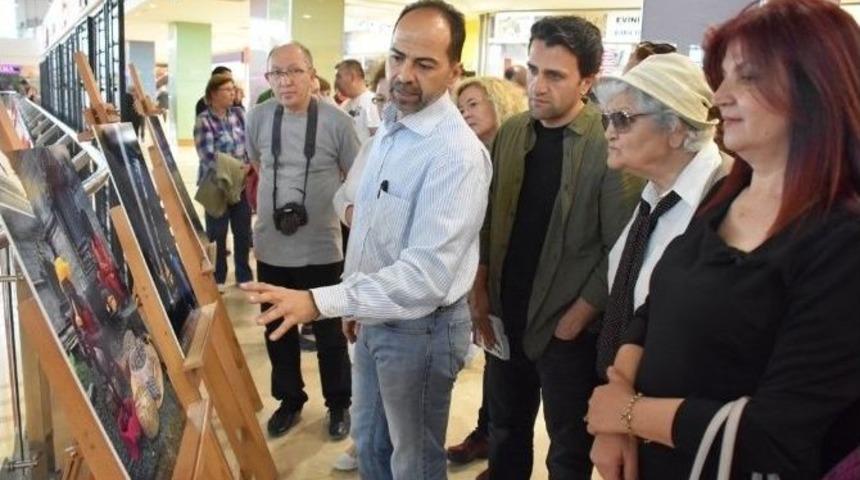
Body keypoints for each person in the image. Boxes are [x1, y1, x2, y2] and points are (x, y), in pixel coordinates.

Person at [585, 1, 860, 479]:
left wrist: (626, 414)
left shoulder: (842, 242)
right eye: (723, 76)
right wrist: (619, 403)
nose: (720, 96)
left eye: (747, 76)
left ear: (817, 87)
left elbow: (776, 432)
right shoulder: (725, 201)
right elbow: (655, 308)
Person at [241, 1, 491, 478]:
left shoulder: (456, 156)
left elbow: (426, 277)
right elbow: (345, 197)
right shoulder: (388, 133)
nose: (404, 74)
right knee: (372, 446)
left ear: (454, 71)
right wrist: (359, 298)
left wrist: (325, 300)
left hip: (421, 332)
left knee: (412, 461)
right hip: (376, 317)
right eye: (398, 57)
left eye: (424, 64)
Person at [477, 16, 642, 480]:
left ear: (587, 81)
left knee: (568, 449)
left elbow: (623, 246)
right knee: (505, 429)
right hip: (507, 315)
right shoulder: (512, 132)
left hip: (566, 330)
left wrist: (579, 315)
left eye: (554, 75)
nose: (537, 86)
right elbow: (490, 218)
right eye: (533, 70)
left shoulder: (608, 142)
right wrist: (480, 288)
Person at [244, 42, 360, 440]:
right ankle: (290, 401)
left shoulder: (337, 121)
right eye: (277, 73)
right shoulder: (257, 117)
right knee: (277, 331)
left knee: (329, 333)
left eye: (294, 71)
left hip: (322, 249)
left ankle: (339, 403)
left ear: (312, 75)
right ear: (268, 78)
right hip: (273, 247)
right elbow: (259, 166)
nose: (286, 81)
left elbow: (353, 177)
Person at [593, 52, 731, 379]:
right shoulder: (653, 195)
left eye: (623, 119)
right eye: (607, 119)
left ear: (677, 128)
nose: (609, 133)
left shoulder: (730, 200)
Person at [445, 75, 526, 472]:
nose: (466, 112)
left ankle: (494, 437)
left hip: (505, 276)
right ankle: (487, 431)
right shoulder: (467, 153)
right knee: (495, 360)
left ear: (500, 101)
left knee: (504, 365)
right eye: (462, 106)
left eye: (474, 103)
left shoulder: (518, 153)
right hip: (474, 271)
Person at [193, 73, 253, 288]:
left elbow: (250, 144)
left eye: (233, 89)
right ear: (213, 94)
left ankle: (244, 275)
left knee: (243, 230)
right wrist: (237, 169)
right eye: (227, 90)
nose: (232, 93)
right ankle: (218, 277)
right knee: (217, 233)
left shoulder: (239, 114)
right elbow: (208, 156)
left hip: (241, 184)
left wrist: (248, 165)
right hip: (216, 185)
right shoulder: (204, 120)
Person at [335, 59, 382, 143]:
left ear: (352, 77)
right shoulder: (344, 105)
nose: (336, 82)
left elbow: (377, 138)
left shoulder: (372, 102)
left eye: (339, 77)